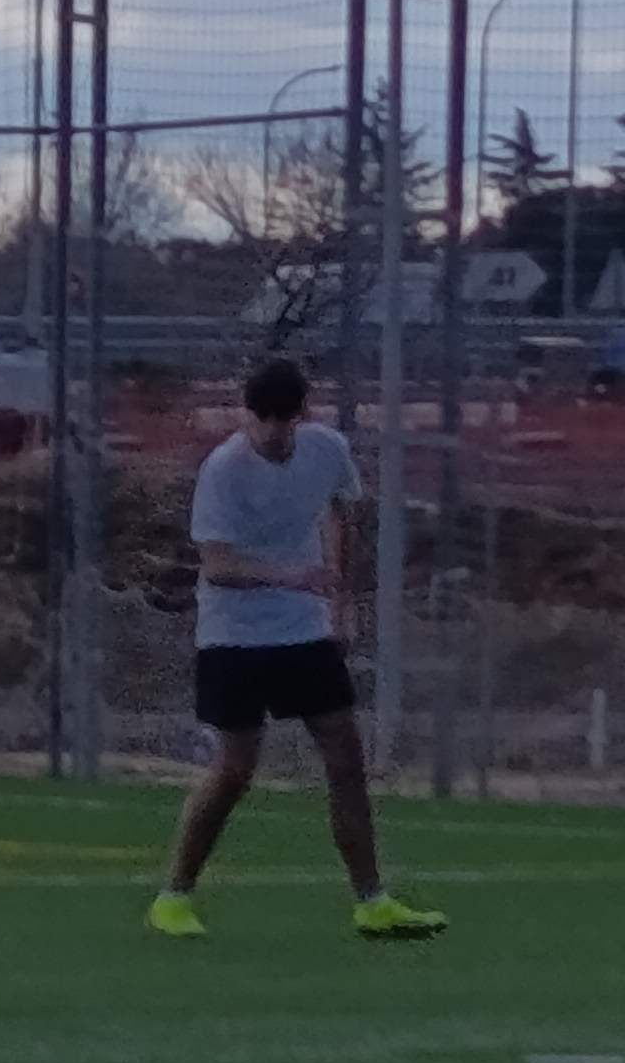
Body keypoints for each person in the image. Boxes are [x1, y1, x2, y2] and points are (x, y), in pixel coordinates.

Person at [145, 354, 447, 944]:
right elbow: (218, 565)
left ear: (302, 415)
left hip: (303, 632)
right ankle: (173, 897)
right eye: (264, 420)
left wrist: (339, 599)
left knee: (346, 759)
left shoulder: (326, 449)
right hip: (233, 636)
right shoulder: (223, 471)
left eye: (284, 420)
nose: (274, 432)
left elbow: (339, 511)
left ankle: (373, 902)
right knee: (235, 770)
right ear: (247, 415)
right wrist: (291, 576)